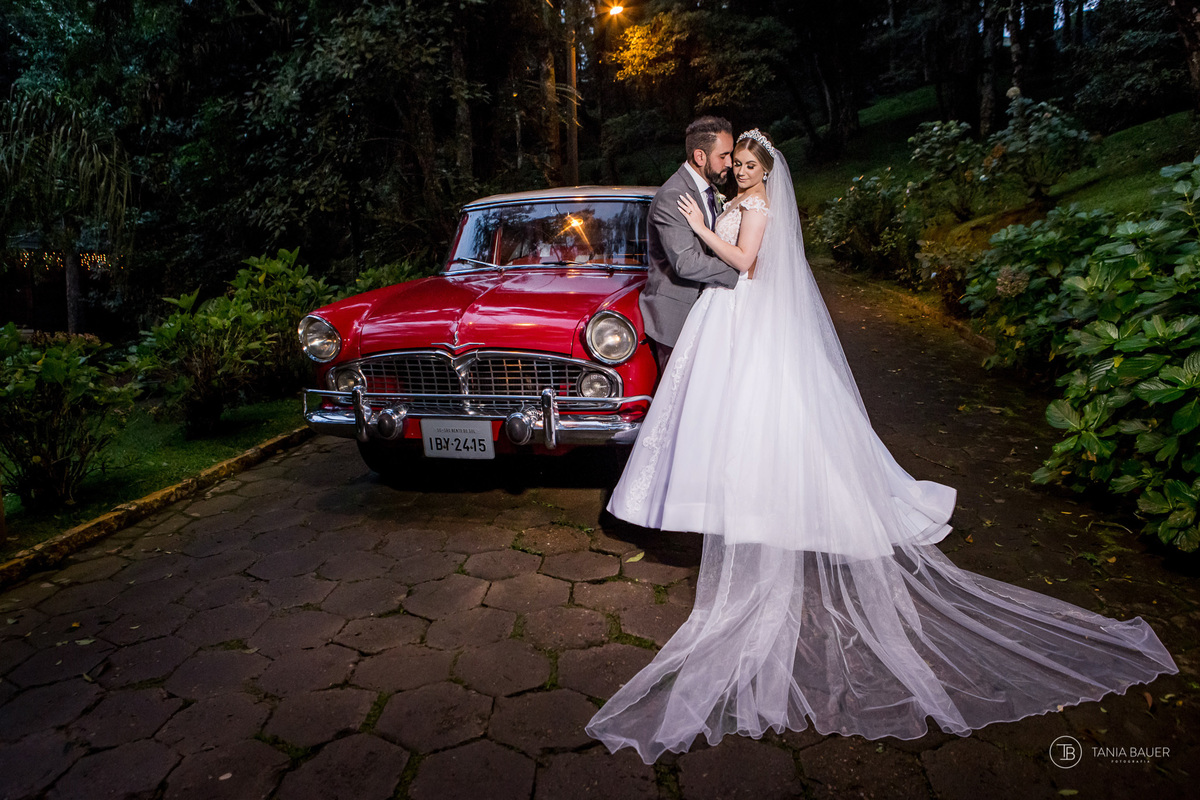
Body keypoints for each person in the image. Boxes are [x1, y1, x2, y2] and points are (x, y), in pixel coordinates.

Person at [586, 129, 1178, 765]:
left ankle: (788, 495)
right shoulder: (723, 196)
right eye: (737, 162)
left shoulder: (757, 206)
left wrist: (704, 232)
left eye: (749, 163)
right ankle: (737, 494)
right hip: (728, 319)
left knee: (769, 408)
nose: (740, 171)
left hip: (742, 306)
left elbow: (747, 264)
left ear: (766, 171)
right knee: (732, 414)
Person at [640, 116, 742, 378]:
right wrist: (741, 273)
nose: (730, 163)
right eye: (724, 155)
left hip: (705, 312)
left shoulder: (707, 191)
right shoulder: (674, 195)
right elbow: (686, 261)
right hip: (677, 318)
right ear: (700, 156)